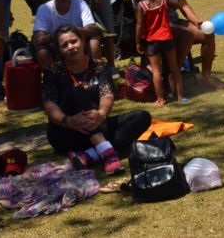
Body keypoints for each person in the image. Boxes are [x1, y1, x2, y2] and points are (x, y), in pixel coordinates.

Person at [43, 25, 151, 175]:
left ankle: (89, 155)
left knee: (141, 117)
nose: (71, 47)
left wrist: (101, 114)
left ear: (82, 41)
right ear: (59, 50)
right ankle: (107, 153)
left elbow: (107, 95)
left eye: (74, 41)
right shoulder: (53, 70)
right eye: (64, 45)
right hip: (66, 132)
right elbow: (49, 105)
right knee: (77, 92)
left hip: (95, 123)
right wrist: (67, 121)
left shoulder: (100, 67)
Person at [134, 0, 186, 105]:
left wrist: (138, 42)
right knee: (174, 67)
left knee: (157, 71)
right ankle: (180, 96)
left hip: (152, 41)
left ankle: (160, 99)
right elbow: (179, 5)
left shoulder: (141, 5)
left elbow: (139, 25)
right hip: (167, 38)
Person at [33, 0, 104, 69]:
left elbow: (92, 30)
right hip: (55, 47)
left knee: (94, 43)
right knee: (42, 52)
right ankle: (53, 81)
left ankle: (95, 76)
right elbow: (37, 40)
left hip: (78, 44)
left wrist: (75, 31)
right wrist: (57, 36)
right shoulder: (44, 9)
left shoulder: (80, 4)